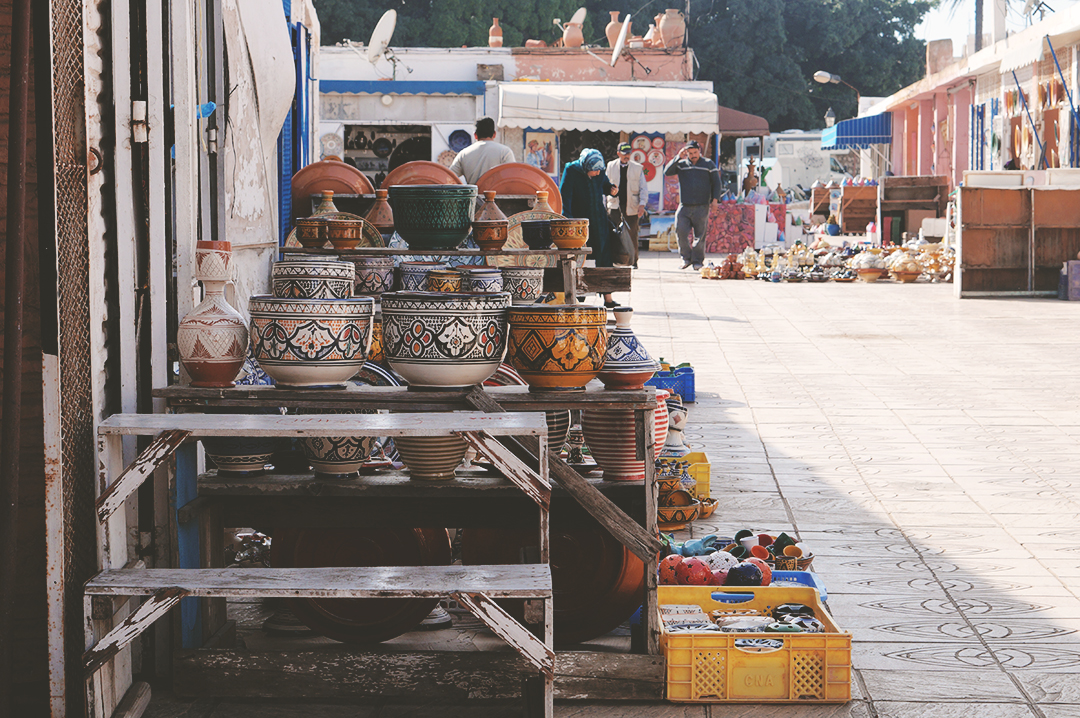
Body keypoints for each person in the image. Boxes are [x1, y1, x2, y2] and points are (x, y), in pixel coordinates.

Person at [560, 148, 620, 308]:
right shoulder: (571, 170)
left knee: (604, 257)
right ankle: (580, 294)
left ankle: (608, 297)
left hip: (599, 223)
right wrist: (568, 222)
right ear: (586, 167)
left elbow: (605, 185)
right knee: (582, 258)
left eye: (599, 170)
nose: (597, 173)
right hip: (580, 225)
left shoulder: (598, 172)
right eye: (594, 171)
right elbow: (564, 196)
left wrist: (612, 190)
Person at [664, 140, 722, 270]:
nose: (693, 155)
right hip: (684, 205)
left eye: (695, 152)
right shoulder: (682, 165)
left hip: (702, 206)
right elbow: (667, 172)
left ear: (699, 151)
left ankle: (697, 261)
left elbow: (717, 183)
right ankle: (686, 258)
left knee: (699, 235)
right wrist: (678, 157)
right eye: (690, 153)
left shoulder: (708, 164)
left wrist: (715, 201)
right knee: (680, 231)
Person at [606, 143, 649, 269]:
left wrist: (642, 205)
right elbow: (605, 185)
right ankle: (614, 259)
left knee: (632, 233)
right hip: (614, 205)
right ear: (618, 153)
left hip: (632, 205)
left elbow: (643, 188)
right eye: (624, 154)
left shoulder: (638, 168)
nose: (627, 156)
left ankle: (633, 260)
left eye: (629, 154)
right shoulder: (611, 166)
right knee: (613, 233)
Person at [448, 117, 515, 184]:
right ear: (494, 134)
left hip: (474, 194)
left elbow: (449, 177)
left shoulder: (463, 154)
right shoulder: (505, 152)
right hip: (497, 194)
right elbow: (512, 177)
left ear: (475, 135)